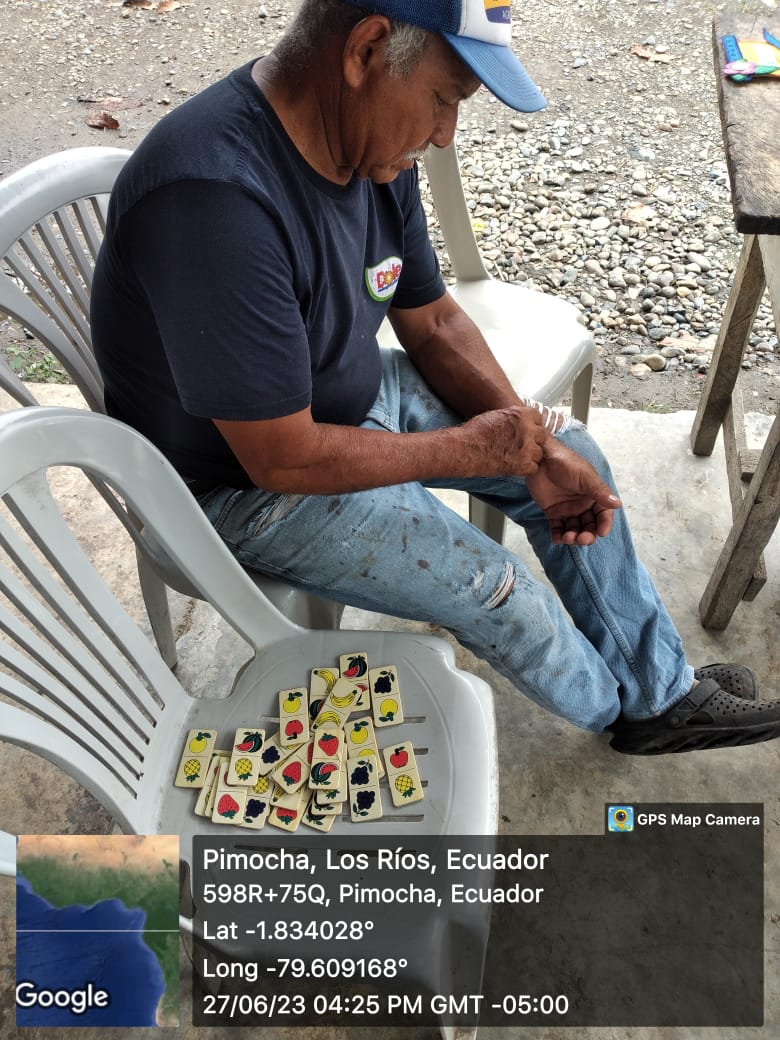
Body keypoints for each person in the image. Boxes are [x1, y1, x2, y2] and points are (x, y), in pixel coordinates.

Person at [90, 0, 780, 755]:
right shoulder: (214, 200)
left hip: (344, 395)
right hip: (234, 491)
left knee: (572, 452)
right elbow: (282, 460)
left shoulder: (365, 146)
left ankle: (662, 692)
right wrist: (472, 449)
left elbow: (434, 322)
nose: (447, 132)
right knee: (493, 586)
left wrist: (530, 444)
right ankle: (621, 712)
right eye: (445, 98)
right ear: (366, 50)